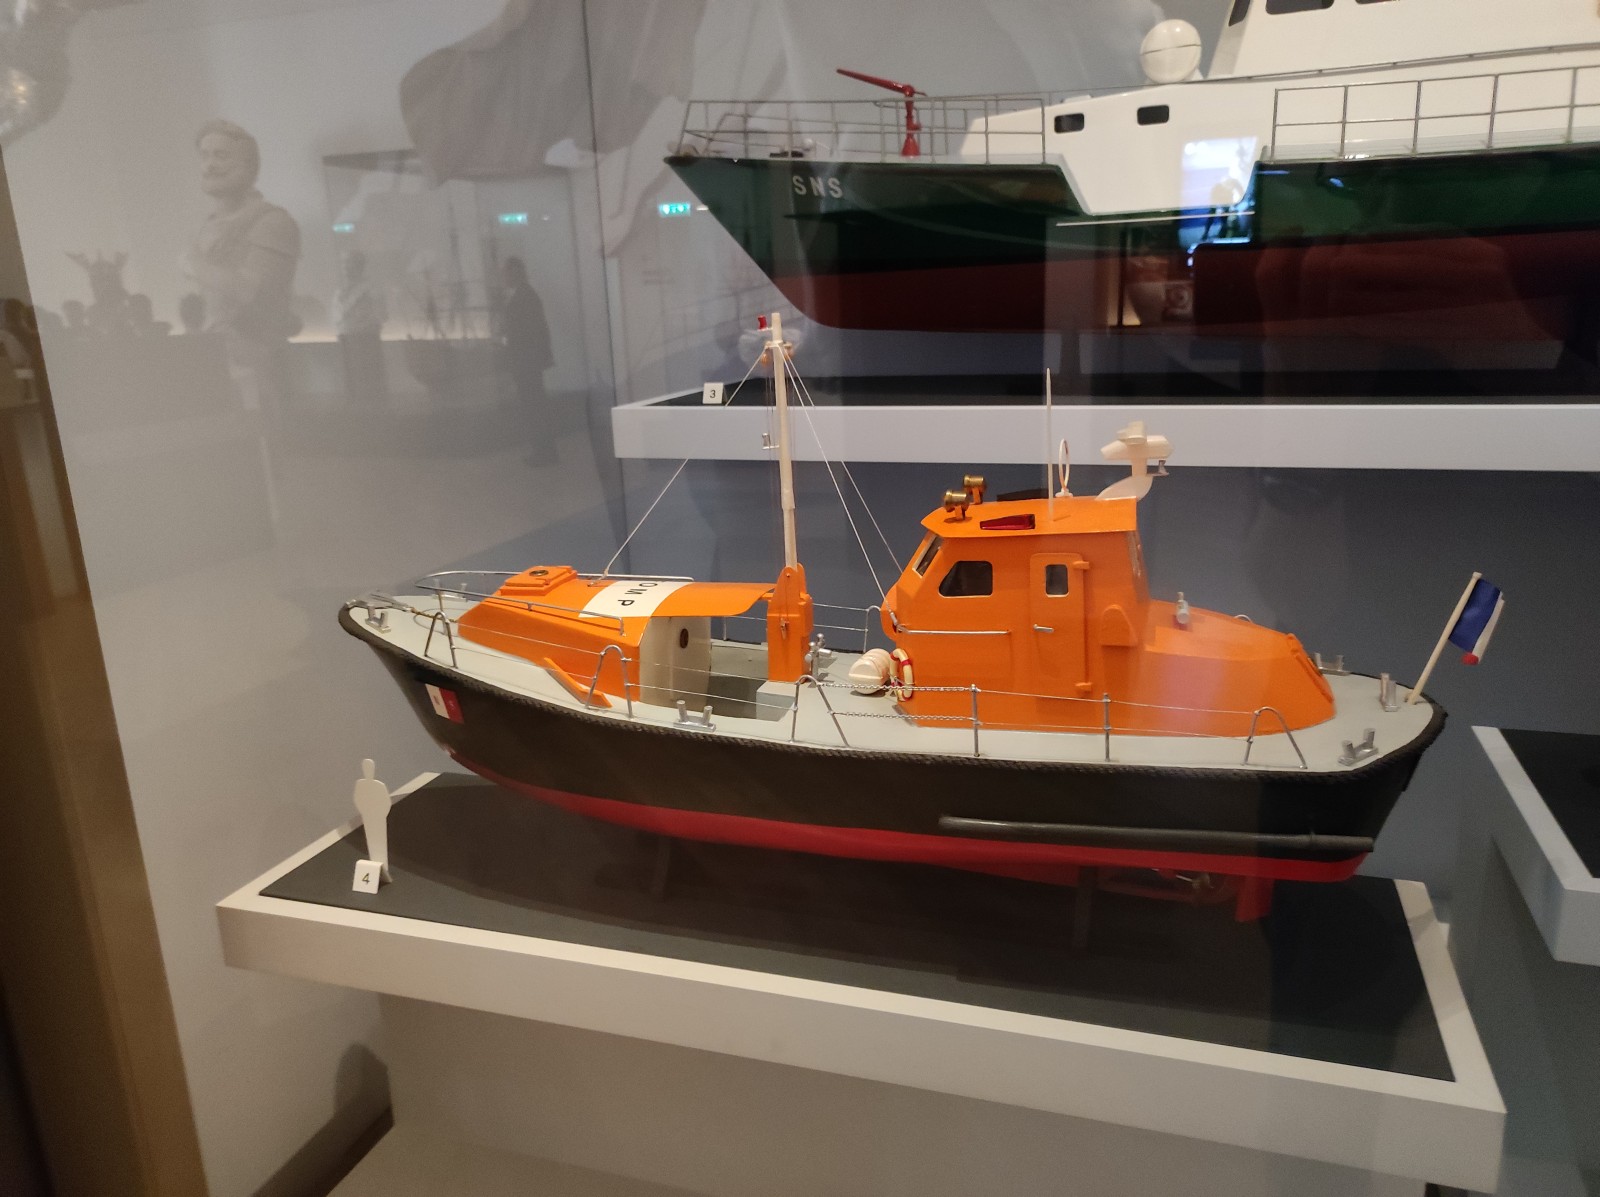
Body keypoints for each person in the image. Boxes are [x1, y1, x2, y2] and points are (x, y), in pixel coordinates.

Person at [181, 119, 300, 414]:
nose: (209, 165)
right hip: (214, 360)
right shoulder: (207, 226)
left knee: (263, 432)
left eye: (221, 156)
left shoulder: (272, 222)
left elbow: (252, 292)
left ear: (248, 165)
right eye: (204, 156)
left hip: (259, 362)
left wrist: (193, 265)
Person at [497, 255, 555, 463]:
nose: (503, 277)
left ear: (514, 273)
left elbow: (529, 331)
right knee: (534, 405)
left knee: (533, 406)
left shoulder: (524, 297)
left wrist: (507, 339)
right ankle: (543, 450)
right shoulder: (524, 295)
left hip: (526, 361)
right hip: (528, 360)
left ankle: (543, 452)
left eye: (505, 272)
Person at [331, 250, 386, 405]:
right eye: (343, 263)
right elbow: (336, 315)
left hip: (366, 339)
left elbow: (382, 315)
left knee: (367, 380)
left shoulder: (371, 288)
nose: (345, 267)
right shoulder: (339, 291)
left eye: (349, 262)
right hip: (345, 337)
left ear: (359, 265)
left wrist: (366, 322)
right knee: (350, 380)